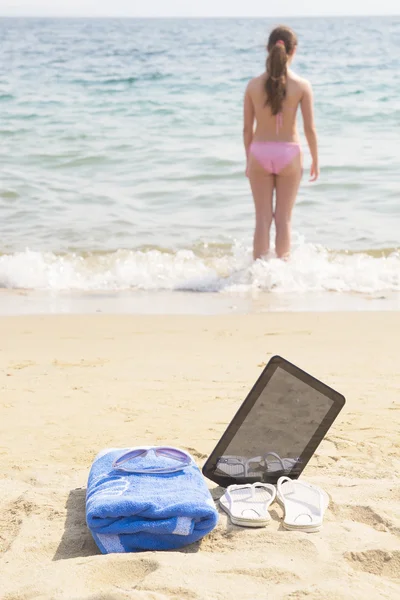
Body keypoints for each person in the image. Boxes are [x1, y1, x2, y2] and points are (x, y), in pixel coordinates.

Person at [244, 25, 319, 260]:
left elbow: (247, 129)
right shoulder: (302, 85)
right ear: (293, 51)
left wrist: (250, 160)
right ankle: (282, 278)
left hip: (259, 152)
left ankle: (257, 276)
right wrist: (316, 159)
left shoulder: (253, 85)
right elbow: (309, 128)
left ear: (267, 49)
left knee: (262, 219)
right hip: (289, 154)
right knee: (284, 219)